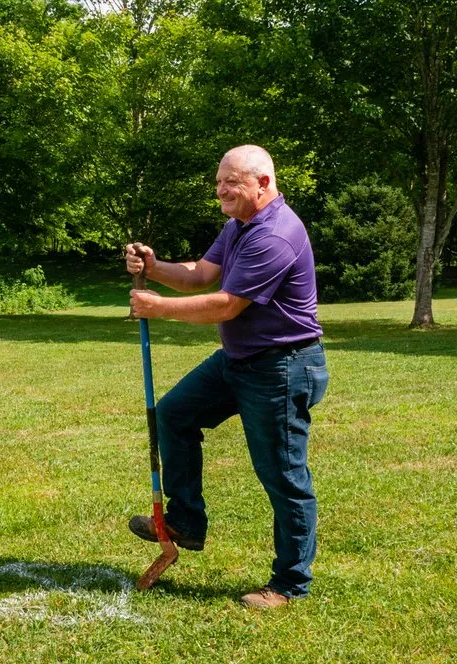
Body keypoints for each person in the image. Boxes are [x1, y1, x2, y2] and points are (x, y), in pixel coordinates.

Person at [126, 145, 329, 609]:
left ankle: (290, 583)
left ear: (263, 183)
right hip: (239, 360)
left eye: (231, 182)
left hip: (282, 367)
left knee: (283, 475)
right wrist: (155, 268)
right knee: (174, 413)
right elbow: (201, 275)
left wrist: (158, 307)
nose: (221, 190)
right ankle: (186, 522)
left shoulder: (275, 234)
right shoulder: (238, 225)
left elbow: (227, 304)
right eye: (219, 181)